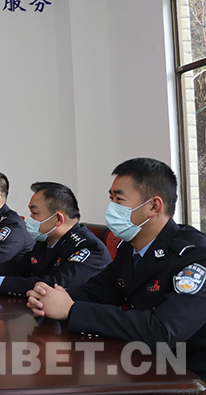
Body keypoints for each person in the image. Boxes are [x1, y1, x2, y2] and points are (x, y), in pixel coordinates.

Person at [27, 158, 206, 377]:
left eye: (119, 199)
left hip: (189, 374)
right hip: (144, 362)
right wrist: (49, 298)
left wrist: (72, 310)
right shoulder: (129, 248)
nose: (111, 207)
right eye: (111, 198)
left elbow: (161, 330)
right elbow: (97, 291)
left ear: (153, 206)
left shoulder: (195, 256)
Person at [0, 181, 111, 296]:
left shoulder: (89, 249)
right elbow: (22, 265)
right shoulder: (47, 240)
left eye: (35, 213)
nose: (30, 219)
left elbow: (52, 285)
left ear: (58, 219)